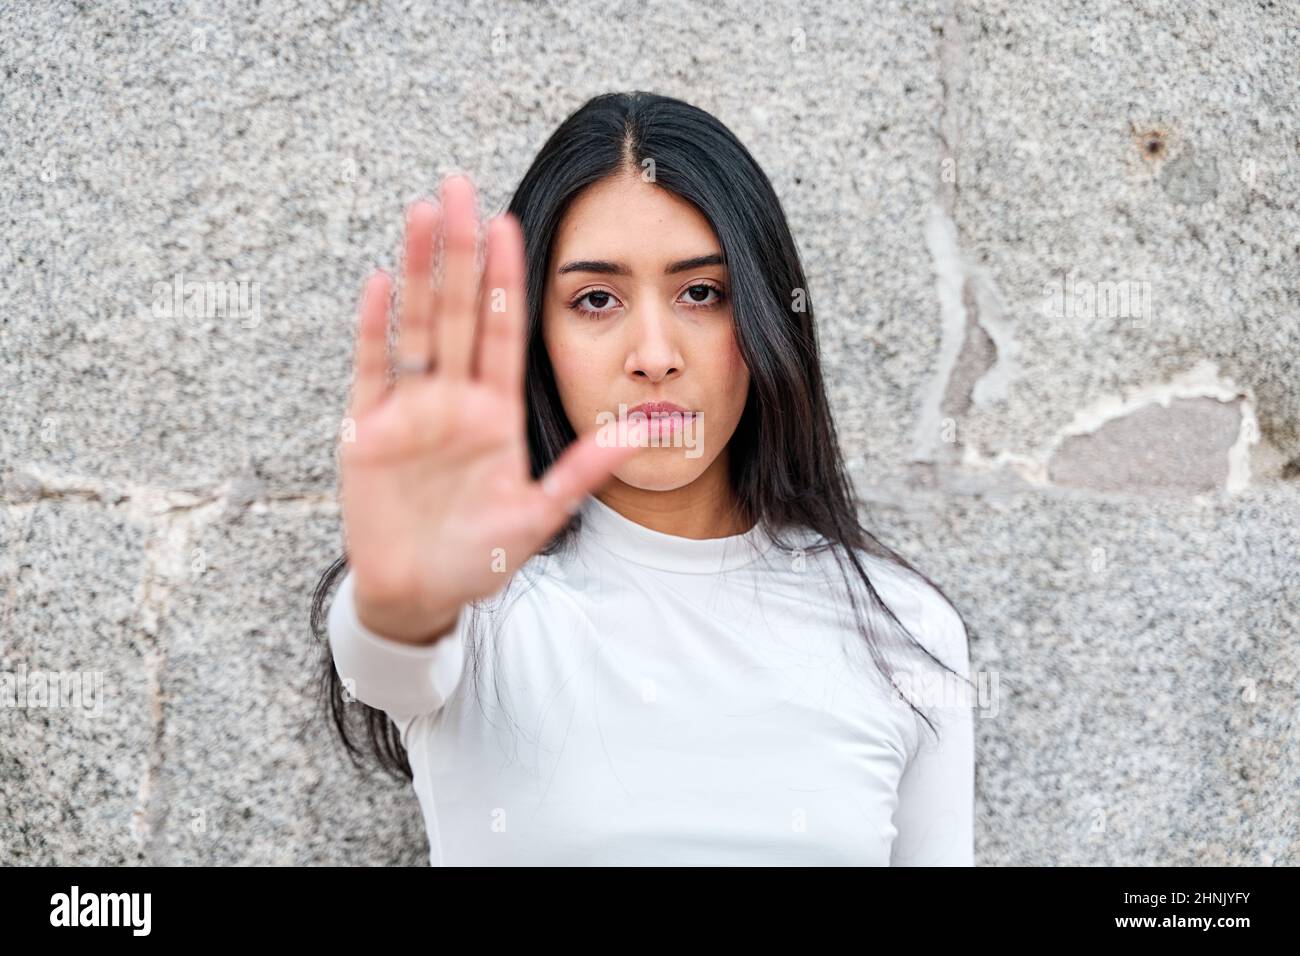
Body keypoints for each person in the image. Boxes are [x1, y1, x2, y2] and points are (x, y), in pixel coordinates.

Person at [310, 91, 975, 866]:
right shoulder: (479, 612)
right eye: (596, 300)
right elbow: (386, 652)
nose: (654, 353)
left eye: (702, 293)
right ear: (534, 335)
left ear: (764, 317)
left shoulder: (904, 630)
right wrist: (402, 597)